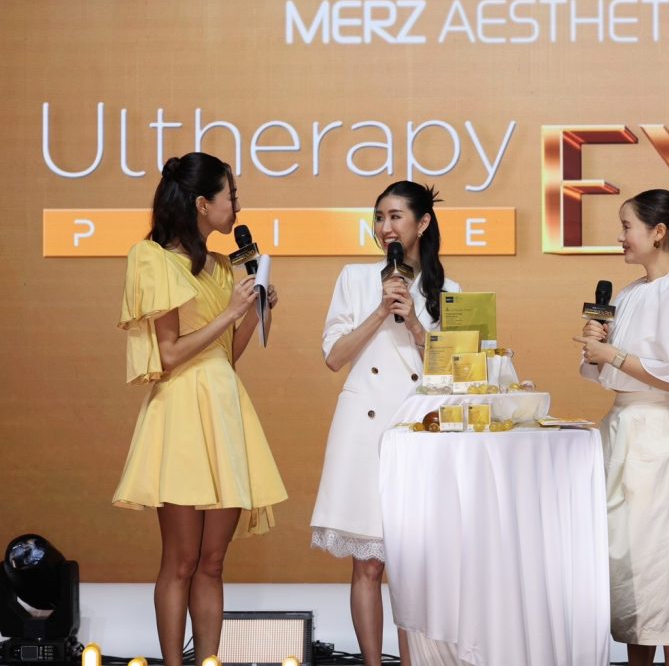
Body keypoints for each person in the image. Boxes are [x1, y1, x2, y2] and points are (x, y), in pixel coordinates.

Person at [112, 152, 288, 666]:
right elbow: (168, 355)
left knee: (213, 562)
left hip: (224, 409)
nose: (238, 206)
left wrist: (253, 312)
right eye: (232, 195)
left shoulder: (221, 267)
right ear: (202, 204)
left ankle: (209, 660)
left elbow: (225, 356)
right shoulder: (151, 258)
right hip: (181, 413)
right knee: (181, 560)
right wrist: (230, 312)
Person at [573, 189, 669, 666]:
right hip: (625, 433)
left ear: (658, 232)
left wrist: (614, 354)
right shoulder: (630, 293)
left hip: (665, 440)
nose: (620, 237)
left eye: (627, 227)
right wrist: (598, 348)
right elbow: (613, 370)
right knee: (630, 566)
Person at [310, 180, 460, 666]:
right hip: (364, 428)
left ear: (423, 223)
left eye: (396, 216)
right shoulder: (355, 278)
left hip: (420, 432)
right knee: (368, 564)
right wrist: (380, 310)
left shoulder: (449, 291)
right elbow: (335, 357)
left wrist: (415, 324)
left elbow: (458, 373)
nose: (386, 227)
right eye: (379, 217)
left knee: (416, 567)